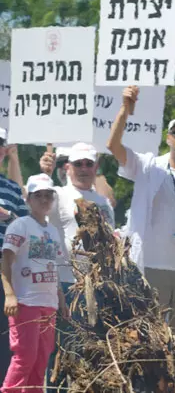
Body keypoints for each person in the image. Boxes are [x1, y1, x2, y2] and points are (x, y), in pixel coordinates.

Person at [107, 86, 175, 346]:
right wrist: (125, 109)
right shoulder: (147, 166)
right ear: (168, 138)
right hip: (153, 265)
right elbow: (113, 145)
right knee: (147, 334)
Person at [40, 142, 115, 388]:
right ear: (68, 167)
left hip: (99, 285)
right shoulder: (56, 195)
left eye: (88, 163)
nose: (84, 168)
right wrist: (45, 174)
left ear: (96, 167)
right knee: (62, 351)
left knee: (94, 351)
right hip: (66, 285)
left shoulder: (103, 202)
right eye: (78, 164)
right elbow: (35, 218)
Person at [1, 174, 68, 393]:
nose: (44, 200)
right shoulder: (20, 225)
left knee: (42, 359)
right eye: (38, 195)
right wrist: (10, 294)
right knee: (25, 356)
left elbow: (55, 266)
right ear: (28, 199)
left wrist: (62, 300)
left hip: (49, 304)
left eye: (48, 195)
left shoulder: (53, 231)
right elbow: (6, 261)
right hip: (26, 302)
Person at [0, 130, 29, 384]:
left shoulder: (11, 188)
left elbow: (26, 228)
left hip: (5, 272)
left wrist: (7, 215)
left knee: (4, 339)